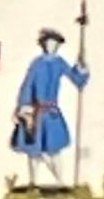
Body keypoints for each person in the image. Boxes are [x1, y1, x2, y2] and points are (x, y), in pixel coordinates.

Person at [10, 27, 88, 186]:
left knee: (54, 149)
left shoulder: (60, 63)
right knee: (33, 151)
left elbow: (76, 79)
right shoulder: (37, 64)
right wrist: (23, 107)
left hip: (52, 113)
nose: (52, 46)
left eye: (55, 43)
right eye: (49, 43)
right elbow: (27, 85)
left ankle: (59, 180)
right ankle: (34, 181)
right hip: (35, 112)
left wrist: (81, 69)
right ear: (44, 45)